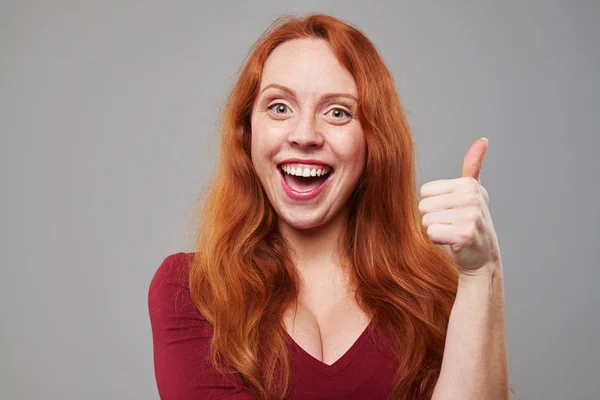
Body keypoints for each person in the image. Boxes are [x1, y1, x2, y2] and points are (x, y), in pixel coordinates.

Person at [148, 13, 516, 400]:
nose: (304, 135)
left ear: (374, 142)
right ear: (247, 134)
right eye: (279, 107)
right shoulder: (192, 291)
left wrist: (482, 273)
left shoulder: (436, 296)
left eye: (337, 112)